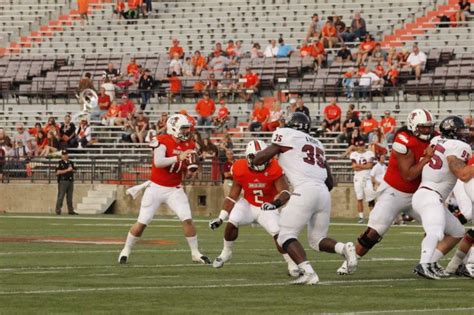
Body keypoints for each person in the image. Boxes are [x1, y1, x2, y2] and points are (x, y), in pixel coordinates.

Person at [336, 109, 446, 275]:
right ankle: (350, 261)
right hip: (394, 192)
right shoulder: (402, 140)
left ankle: (428, 263)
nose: (426, 131)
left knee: (436, 227)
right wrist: (426, 158)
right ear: (413, 126)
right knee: (374, 231)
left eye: (429, 127)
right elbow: (408, 175)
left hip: (419, 194)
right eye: (423, 127)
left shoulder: (436, 137)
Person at [253, 113, 358, 285]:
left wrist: (261, 155)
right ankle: (344, 248)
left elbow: (260, 159)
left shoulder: (286, 134)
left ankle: (308, 272)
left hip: (304, 189)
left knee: (284, 236)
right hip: (323, 192)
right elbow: (330, 182)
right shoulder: (318, 144)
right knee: (317, 240)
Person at [118, 114, 210, 264]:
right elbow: (159, 162)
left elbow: (186, 170)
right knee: (143, 222)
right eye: (184, 128)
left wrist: (193, 168)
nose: (187, 131)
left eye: (187, 128)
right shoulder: (162, 140)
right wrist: (179, 158)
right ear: (173, 128)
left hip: (175, 189)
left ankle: (195, 253)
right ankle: (126, 250)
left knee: (187, 219)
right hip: (156, 188)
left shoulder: (190, 144)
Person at [209, 140, 300, 277]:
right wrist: (221, 218)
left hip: (267, 206)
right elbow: (232, 196)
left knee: (278, 233)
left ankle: (291, 263)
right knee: (233, 219)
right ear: (248, 157)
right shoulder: (240, 167)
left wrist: (274, 204)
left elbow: (285, 192)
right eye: (256, 157)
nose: (260, 160)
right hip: (248, 204)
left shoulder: (274, 167)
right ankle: (226, 252)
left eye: (262, 156)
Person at [411, 116, 470, 279]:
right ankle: (423, 264)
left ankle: (431, 262)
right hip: (430, 195)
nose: (463, 132)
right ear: (452, 131)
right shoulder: (459, 146)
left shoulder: (437, 139)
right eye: (459, 129)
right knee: (435, 232)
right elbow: (460, 173)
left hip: (426, 194)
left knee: (458, 231)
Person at [350, 140, 376, 224]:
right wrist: (365, 167)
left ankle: (372, 216)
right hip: (358, 178)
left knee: (371, 198)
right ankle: (361, 217)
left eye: (362, 145)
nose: (361, 147)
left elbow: (370, 165)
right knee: (359, 198)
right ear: (357, 146)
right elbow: (354, 167)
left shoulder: (369, 153)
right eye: (360, 145)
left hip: (367, 178)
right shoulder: (354, 154)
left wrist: (359, 166)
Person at [55, 150, 77, 215]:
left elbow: (75, 170)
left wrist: (72, 170)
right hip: (63, 181)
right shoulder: (59, 163)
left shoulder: (71, 162)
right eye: (63, 155)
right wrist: (67, 170)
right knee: (61, 196)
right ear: (61, 155)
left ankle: (70, 210)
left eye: (66, 154)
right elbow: (57, 172)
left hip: (70, 181)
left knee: (70, 197)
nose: (65, 156)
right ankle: (58, 210)